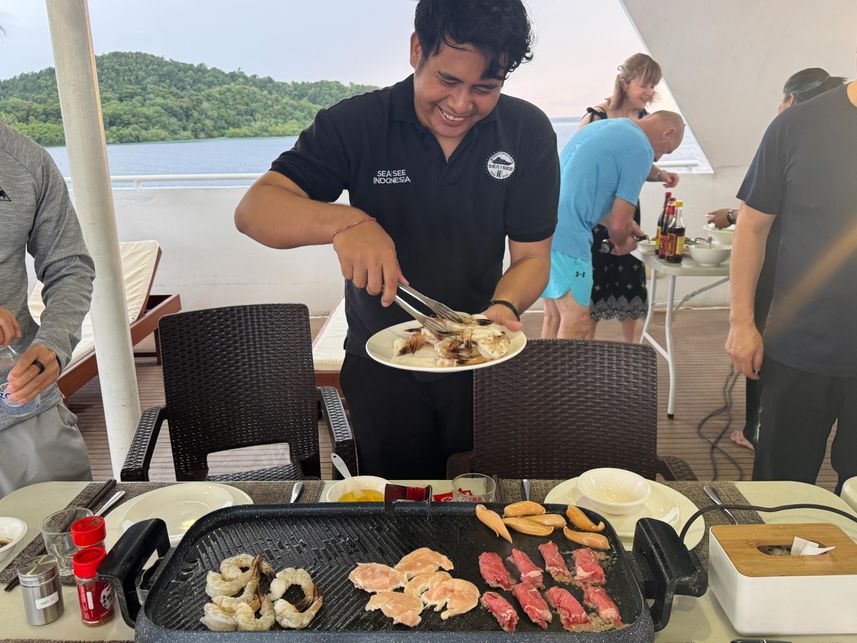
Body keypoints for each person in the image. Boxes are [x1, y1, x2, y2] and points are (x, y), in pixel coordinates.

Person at [235, 0, 559, 479]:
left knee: (479, 497)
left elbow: (532, 257)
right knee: (395, 502)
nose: (461, 104)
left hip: (481, 364)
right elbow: (254, 210)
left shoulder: (526, 131)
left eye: (485, 88)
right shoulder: (358, 124)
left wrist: (505, 309)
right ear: (416, 50)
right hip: (381, 361)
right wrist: (344, 222)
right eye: (447, 80)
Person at [726, 62, 857, 494]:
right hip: (798, 347)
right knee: (778, 494)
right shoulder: (798, 125)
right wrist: (741, 323)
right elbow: (752, 226)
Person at [0, 121, 95, 497]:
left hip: (23, 410)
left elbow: (69, 265)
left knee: (66, 545)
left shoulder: (26, 160)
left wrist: (54, 344)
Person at [540, 112, 685, 340]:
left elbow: (582, 193)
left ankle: (545, 375)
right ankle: (564, 377)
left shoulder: (607, 126)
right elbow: (618, 226)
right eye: (666, 151)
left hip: (540, 225)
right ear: (668, 133)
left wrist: (623, 224)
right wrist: (623, 241)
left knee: (555, 316)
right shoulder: (641, 149)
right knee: (578, 321)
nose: (658, 159)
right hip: (568, 237)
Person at [576, 53, 679, 343]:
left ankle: (632, 348)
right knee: (592, 282)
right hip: (593, 215)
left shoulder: (646, 121)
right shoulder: (596, 116)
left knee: (630, 277)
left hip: (627, 210)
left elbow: (641, 165)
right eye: (645, 85)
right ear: (625, 82)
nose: (649, 93)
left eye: (653, 86)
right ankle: (585, 345)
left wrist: (660, 174)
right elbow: (577, 162)